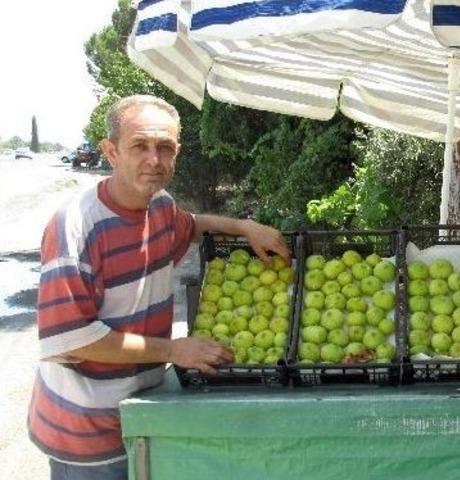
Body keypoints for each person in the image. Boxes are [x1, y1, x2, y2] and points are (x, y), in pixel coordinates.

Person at [27, 95, 291, 479]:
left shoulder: (160, 207)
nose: (154, 159)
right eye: (140, 146)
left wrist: (244, 227)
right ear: (111, 151)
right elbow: (74, 339)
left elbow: (193, 223)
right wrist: (173, 350)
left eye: (165, 147)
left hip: (145, 413)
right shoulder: (75, 227)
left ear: (177, 152)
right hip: (88, 436)